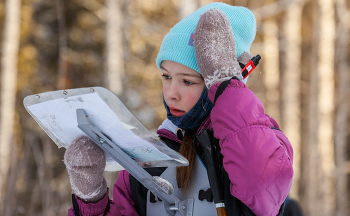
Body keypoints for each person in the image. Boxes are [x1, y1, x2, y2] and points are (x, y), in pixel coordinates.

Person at [64, 2, 294, 216]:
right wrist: (91, 200)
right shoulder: (149, 161)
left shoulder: (266, 146)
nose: (171, 93)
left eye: (188, 81)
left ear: (218, 81)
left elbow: (260, 186)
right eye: (166, 77)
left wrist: (226, 85)